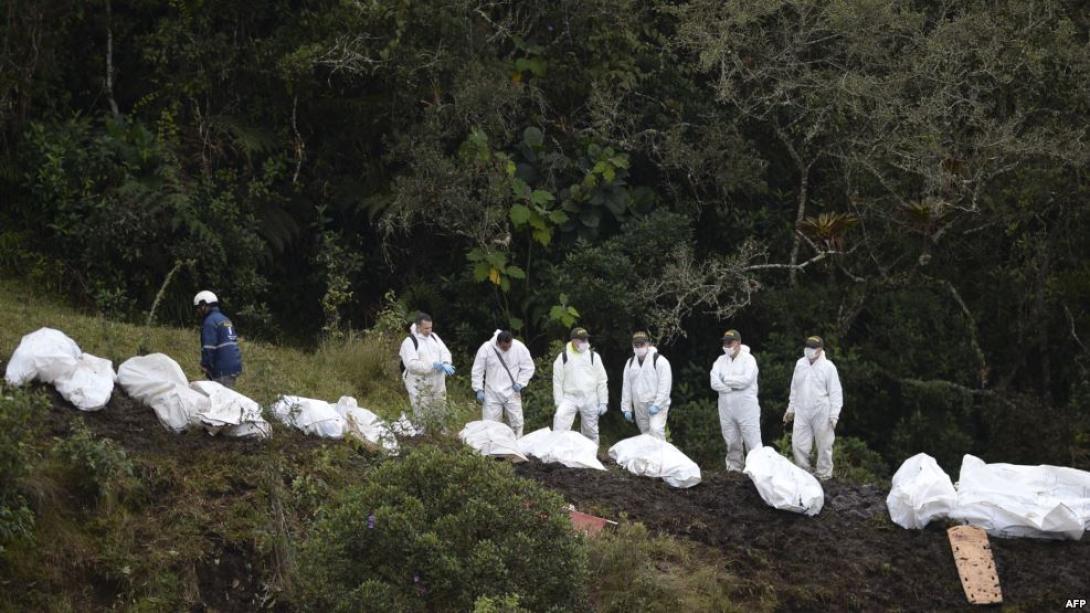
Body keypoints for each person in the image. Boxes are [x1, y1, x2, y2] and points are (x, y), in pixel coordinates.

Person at [783, 336, 843, 481]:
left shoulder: (828, 367)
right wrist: (790, 409)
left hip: (822, 410)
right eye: (808, 347)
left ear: (820, 350)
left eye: (813, 348)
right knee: (798, 444)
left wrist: (834, 415)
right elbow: (795, 388)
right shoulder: (800, 364)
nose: (809, 350)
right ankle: (805, 475)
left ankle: (824, 476)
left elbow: (835, 392)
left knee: (824, 445)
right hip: (802, 409)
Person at [710, 329, 761, 471]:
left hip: (746, 408)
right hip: (726, 408)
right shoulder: (720, 360)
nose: (726, 345)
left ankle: (757, 470)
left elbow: (745, 381)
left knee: (752, 441)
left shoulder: (749, 360)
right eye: (725, 342)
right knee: (731, 441)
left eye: (729, 342)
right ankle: (734, 470)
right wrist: (729, 387)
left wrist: (725, 379)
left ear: (738, 343)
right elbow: (713, 382)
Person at [471, 329, 535, 437]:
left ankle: (516, 446)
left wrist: (521, 383)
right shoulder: (486, 348)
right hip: (492, 392)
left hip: (512, 392)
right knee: (490, 424)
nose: (507, 348)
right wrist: (478, 389)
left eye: (509, 346)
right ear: (498, 342)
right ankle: (492, 448)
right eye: (504, 347)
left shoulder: (519, 347)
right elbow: (478, 369)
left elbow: (528, 367)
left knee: (517, 422)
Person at [552, 327, 609, 445]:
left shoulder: (593, 356)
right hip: (569, 397)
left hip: (590, 397)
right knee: (560, 419)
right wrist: (559, 402)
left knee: (590, 430)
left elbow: (602, 380)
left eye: (586, 340)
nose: (585, 343)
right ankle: (558, 453)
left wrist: (603, 401)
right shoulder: (563, 357)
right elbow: (557, 381)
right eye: (581, 340)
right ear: (573, 340)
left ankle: (590, 456)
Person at [399, 312, 455, 424]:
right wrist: (432, 365)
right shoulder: (410, 342)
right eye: (426, 328)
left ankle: (439, 433)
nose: (429, 331)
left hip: (438, 380)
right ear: (418, 327)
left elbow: (444, 352)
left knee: (439, 408)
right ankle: (423, 435)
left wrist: (445, 362)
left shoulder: (433, 337)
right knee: (422, 410)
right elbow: (411, 365)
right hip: (419, 382)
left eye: (431, 327)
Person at [620, 331, 673, 440]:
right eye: (636, 345)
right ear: (633, 346)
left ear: (648, 344)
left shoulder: (659, 361)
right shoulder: (630, 363)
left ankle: (661, 456)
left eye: (642, 344)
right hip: (639, 405)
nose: (639, 347)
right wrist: (626, 408)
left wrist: (658, 405)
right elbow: (627, 387)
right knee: (645, 435)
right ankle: (649, 457)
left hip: (656, 404)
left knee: (656, 430)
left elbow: (665, 385)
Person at [194, 290, 242, 388]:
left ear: (204, 305)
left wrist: (205, 365)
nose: (197, 311)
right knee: (227, 395)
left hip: (222, 368)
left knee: (221, 400)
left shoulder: (209, 322)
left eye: (198, 307)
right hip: (234, 365)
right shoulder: (225, 319)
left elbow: (209, 347)